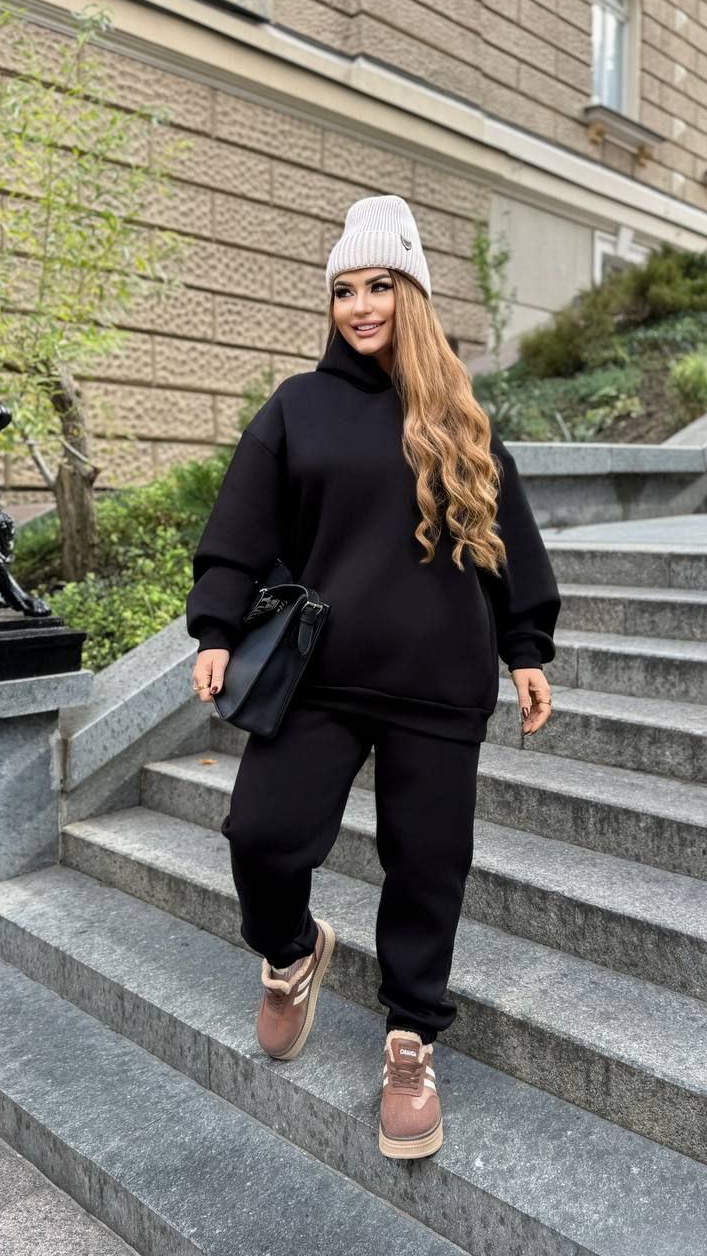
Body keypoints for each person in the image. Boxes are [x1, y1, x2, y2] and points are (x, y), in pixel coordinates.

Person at [186, 194, 560, 1161]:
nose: (359, 306)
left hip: (440, 684)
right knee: (260, 835)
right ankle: (291, 950)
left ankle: (410, 1040)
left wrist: (525, 649)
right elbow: (241, 527)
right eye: (344, 289)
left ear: (413, 294)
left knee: (427, 867)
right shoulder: (297, 407)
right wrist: (216, 627)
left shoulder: (460, 416)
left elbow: (508, 546)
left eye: (379, 285)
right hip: (324, 676)